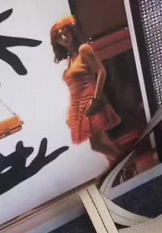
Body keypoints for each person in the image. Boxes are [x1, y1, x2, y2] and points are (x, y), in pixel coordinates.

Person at [50, 16, 121, 164]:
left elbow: (101, 71)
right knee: (103, 141)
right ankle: (123, 166)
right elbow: (74, 91)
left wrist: (96, 98)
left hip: (90, 100)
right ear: (56, 41)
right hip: (79, 105)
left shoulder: (83, 49)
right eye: (59, 37)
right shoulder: (70, 59)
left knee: (97, 144)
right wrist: (71, 114)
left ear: (72, 32)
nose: (64, 38)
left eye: (66, 33)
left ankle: (126, 163)